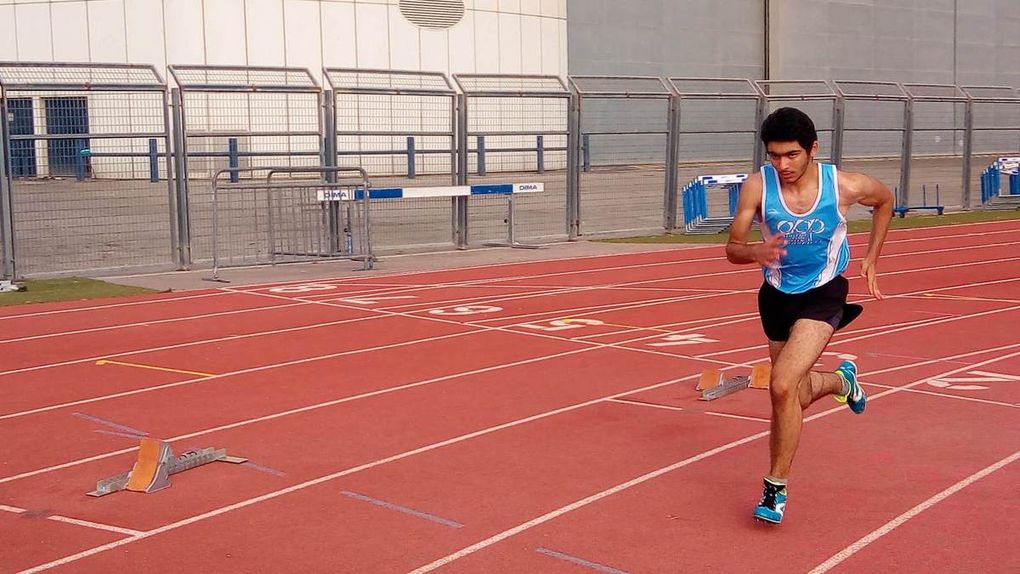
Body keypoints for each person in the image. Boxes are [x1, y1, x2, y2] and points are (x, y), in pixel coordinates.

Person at [725, 107, 893, 524]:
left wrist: (872, 256)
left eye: (792, 155)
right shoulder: (756, 188)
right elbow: (732, 247)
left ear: (813, 149)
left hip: (824, 292)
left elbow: (885, 200)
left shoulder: (844, 186)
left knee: (781, 386)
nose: (783, 165)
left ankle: (774, 489)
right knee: (795, 395)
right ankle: (841, 380)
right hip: (776, 296)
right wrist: (754, 253)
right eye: (774, 156)